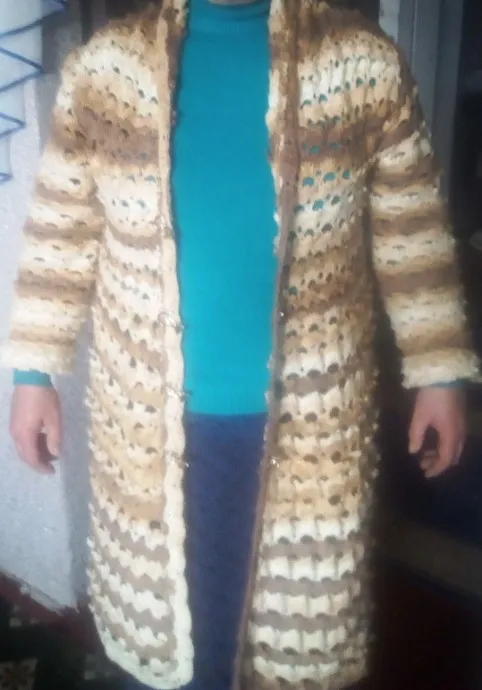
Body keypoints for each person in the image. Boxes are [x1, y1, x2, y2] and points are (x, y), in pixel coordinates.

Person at [3, 1, 479, 689]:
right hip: (149, 426)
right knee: (171, 637)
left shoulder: (364, 65)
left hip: (313, 426)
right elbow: (60, 229)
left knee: (293, 638)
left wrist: (441, 372)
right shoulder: (104, 72)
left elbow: (415, 228)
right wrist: (33, 373)